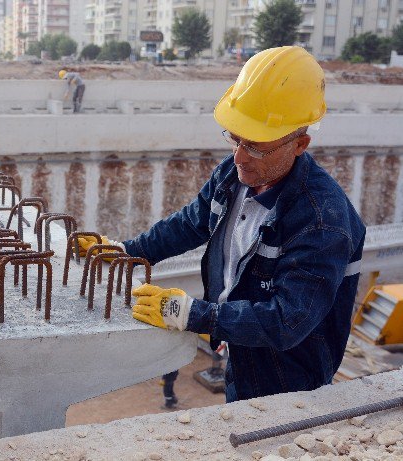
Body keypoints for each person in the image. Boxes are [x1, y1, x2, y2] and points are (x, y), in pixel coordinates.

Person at [78, 46, 366, 404]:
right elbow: (191, 223)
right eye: (236, 137)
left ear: (300, 144)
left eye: (257, 146)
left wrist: (192, 314)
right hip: (241, 348)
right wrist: (127, 252)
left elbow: (288, 320)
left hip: (290, 378)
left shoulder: (323, 221)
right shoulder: (235, 176)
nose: (240, 156)